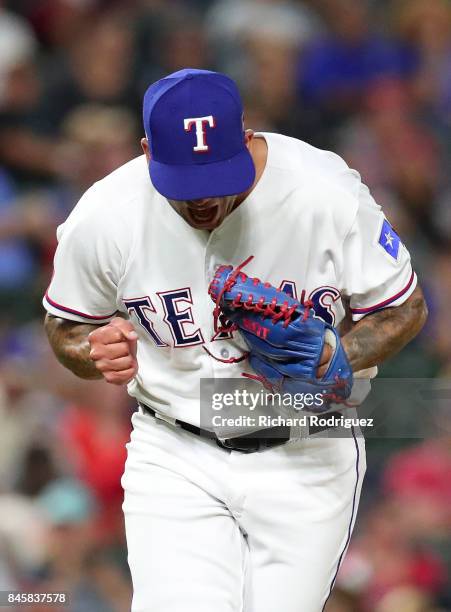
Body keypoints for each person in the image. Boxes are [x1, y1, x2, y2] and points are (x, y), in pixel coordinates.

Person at [43, 69, 428, 612]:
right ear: (148, 152)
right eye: (186, 184)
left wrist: (338, 356)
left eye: (217, 177)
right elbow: (65, 326)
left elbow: (404, 307)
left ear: (246, 140)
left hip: (308, 448)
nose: (203, 200)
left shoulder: (323, 191)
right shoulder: (107, 215)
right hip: (175, 449)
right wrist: (91, 351)